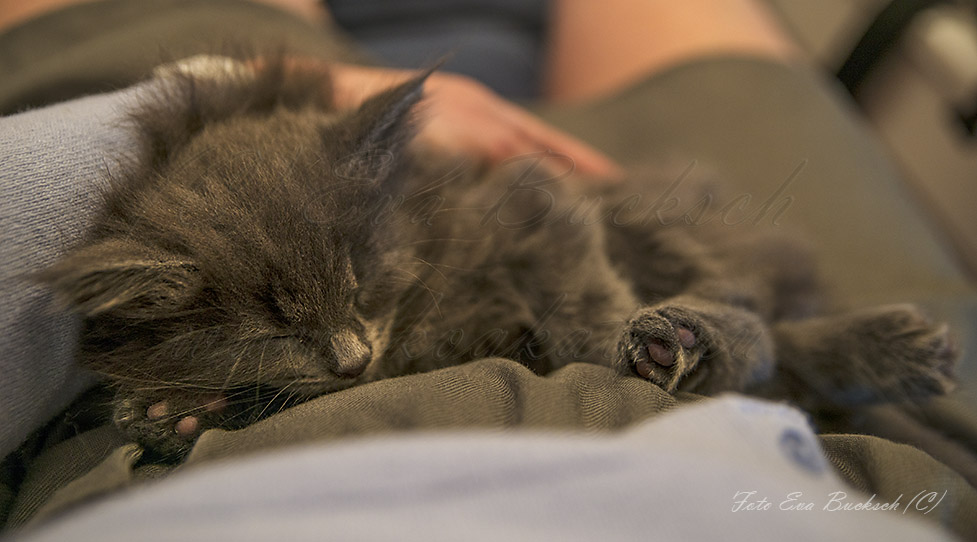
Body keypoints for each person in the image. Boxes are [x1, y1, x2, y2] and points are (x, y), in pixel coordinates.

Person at [2, 1, 977, 539]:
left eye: (348, 308)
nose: (346, 350)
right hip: (858, 466)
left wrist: (184, 98)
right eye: (294, 327)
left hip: (300, 179)